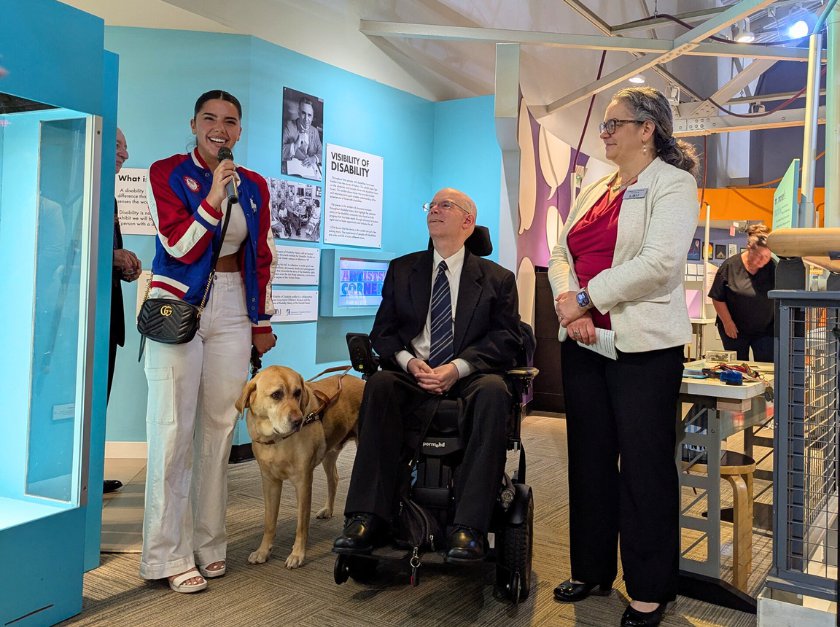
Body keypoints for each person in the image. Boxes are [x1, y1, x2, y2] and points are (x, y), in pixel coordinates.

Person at [548, 86, 699, 627]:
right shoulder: (599, 185)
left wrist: (589, 298)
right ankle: (591, 570)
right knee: (588, 462)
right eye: (605, 124)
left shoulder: (674, 184)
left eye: (615, 123)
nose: (605, 132)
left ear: (647, 129)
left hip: (644, 349)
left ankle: (650, 588)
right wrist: (572, 307)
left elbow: (659, 263)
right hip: (584, 341)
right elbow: (562, 252)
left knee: (644, 468)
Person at [333, 188, 522, 561]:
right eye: (431, 206)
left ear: (468, 221)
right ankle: (367, 516)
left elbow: (507, 339)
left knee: (493, 391)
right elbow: (383, 333)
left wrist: (457, 368)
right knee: (381, 384)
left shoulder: (497, 279)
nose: (434, 210)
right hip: (412, 376)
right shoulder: (404, 269)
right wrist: (407, 361)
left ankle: (469, 527)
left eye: (445, 206)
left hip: (468, 377)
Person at [143, 89, 277, 593]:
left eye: (230, 121)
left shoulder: (257, 185)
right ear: (194, 124)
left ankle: (209, 543)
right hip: (179, 305)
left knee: (220, 429)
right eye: (210, 119)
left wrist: (260, 321)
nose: (220, 128)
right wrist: (215, 196)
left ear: (240, 131)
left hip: (234, 306)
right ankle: (166, 555)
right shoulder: (168, 173)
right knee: (172, 429)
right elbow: (178, 245)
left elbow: (259, 256)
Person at [105, 127, 142, 494]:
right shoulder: (75, 188)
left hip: (107, 317)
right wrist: (109, 257)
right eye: (118, 146)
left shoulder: (110, 197)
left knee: (99, 401)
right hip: (78, 321)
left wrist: (124, 266)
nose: (125, 154)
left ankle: (86, 475)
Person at [709, 224, 775, 362]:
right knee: (737, 367)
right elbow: (717, 297)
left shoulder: (772, 267)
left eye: (766, 256)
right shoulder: (730, 266)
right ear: (749, 248)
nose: (761, 261)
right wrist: (727, 322)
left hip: (765, 330)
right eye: (758, 256)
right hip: (734, 329)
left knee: (767, 367)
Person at [281, 97, 322, 170]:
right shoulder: (288, 126)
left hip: (310, 171)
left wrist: (314, 158)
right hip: (292, 169)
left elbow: (322, 152)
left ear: (312, 117)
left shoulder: (315, 131)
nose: (306, 119)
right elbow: (279, 151)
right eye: (303, 113)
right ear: (299, 113)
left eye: (309, 115)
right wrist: (295, 145)